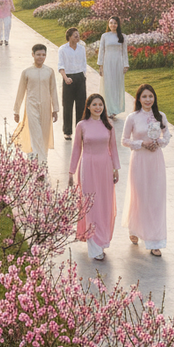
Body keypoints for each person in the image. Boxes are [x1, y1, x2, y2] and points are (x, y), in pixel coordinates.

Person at [69, 94, 120, 261]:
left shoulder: (108, 125)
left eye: (100, 104)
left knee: (104, 204)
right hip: (88, 168)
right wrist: (71, 171)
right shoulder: (82, 125)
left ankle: (102, 239)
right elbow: (76, 148)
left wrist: (116, 168)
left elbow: (113, 148)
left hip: (105, 168)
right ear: (88, 107)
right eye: (94, 104)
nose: (98, 107)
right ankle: (94, 246)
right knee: (90, 204)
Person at [121, 84, 171, 256]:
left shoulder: (160, 116)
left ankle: (154, 241)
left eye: (151, 96)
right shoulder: (133, 117)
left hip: (156, 161)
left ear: (154, 98)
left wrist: (159, 143)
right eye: (144, 96)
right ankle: (135, 228)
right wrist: (142, 143)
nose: (148, 99)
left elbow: (167, 135)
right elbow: (124, 140)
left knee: (156, 199)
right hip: (139, 161)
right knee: (140, 197)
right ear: (138, 99)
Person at [12, 44, 59, 167]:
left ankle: (39, 157)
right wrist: (16, 110)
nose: (41, 57)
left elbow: (53, 90)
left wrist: (56, 109)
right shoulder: (26, 72)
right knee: (35, 132)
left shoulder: (49, 71)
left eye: (43, 55)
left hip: (46, 106)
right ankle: (41, 161)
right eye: (38, 54)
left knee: (44, 134)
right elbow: (20, 91)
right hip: (31, 105)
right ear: (33, 55)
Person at [97, 16, 130, 118]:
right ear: (108, 24)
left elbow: (124, 52)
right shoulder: (105, 36)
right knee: (108, 85)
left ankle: (115, 109)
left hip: (118, 64)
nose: (113, 25)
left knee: (116, 85)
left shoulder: (122, 36)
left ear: (118, 25)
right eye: (111, 23)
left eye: (115, 23)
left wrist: (125, 64)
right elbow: (101, 51)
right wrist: (100, 66)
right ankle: (108, 108)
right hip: (107, 63)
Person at [58, 28, 87, 140]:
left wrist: (84, 76)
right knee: (67, 105)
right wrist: (65, 78)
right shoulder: (62, 49)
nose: (77, 37)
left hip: (80, 77)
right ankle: (67, 131)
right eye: (75, 36)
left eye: (78, 35)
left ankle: (80, 130)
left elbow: (84, 63)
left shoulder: (81, 48)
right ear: (69, 37)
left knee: (81, 105)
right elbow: (61, 66)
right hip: (68, 77)